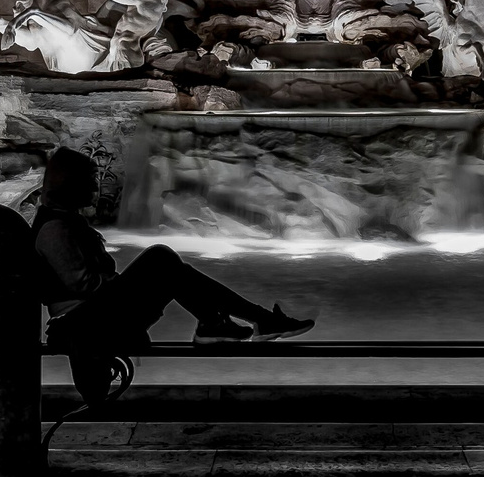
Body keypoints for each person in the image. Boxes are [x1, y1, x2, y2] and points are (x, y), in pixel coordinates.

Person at [32, 150, 312, 405]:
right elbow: (82, 285)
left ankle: (223, 323)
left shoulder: (64, 222)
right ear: (71, 183)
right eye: (90, 180)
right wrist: (131, 283)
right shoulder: (55, 229)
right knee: (160, 259)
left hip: (95, 317)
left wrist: (129, 283)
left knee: (168, 266)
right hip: (87, 323)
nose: (96, 187)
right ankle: (230, 322)